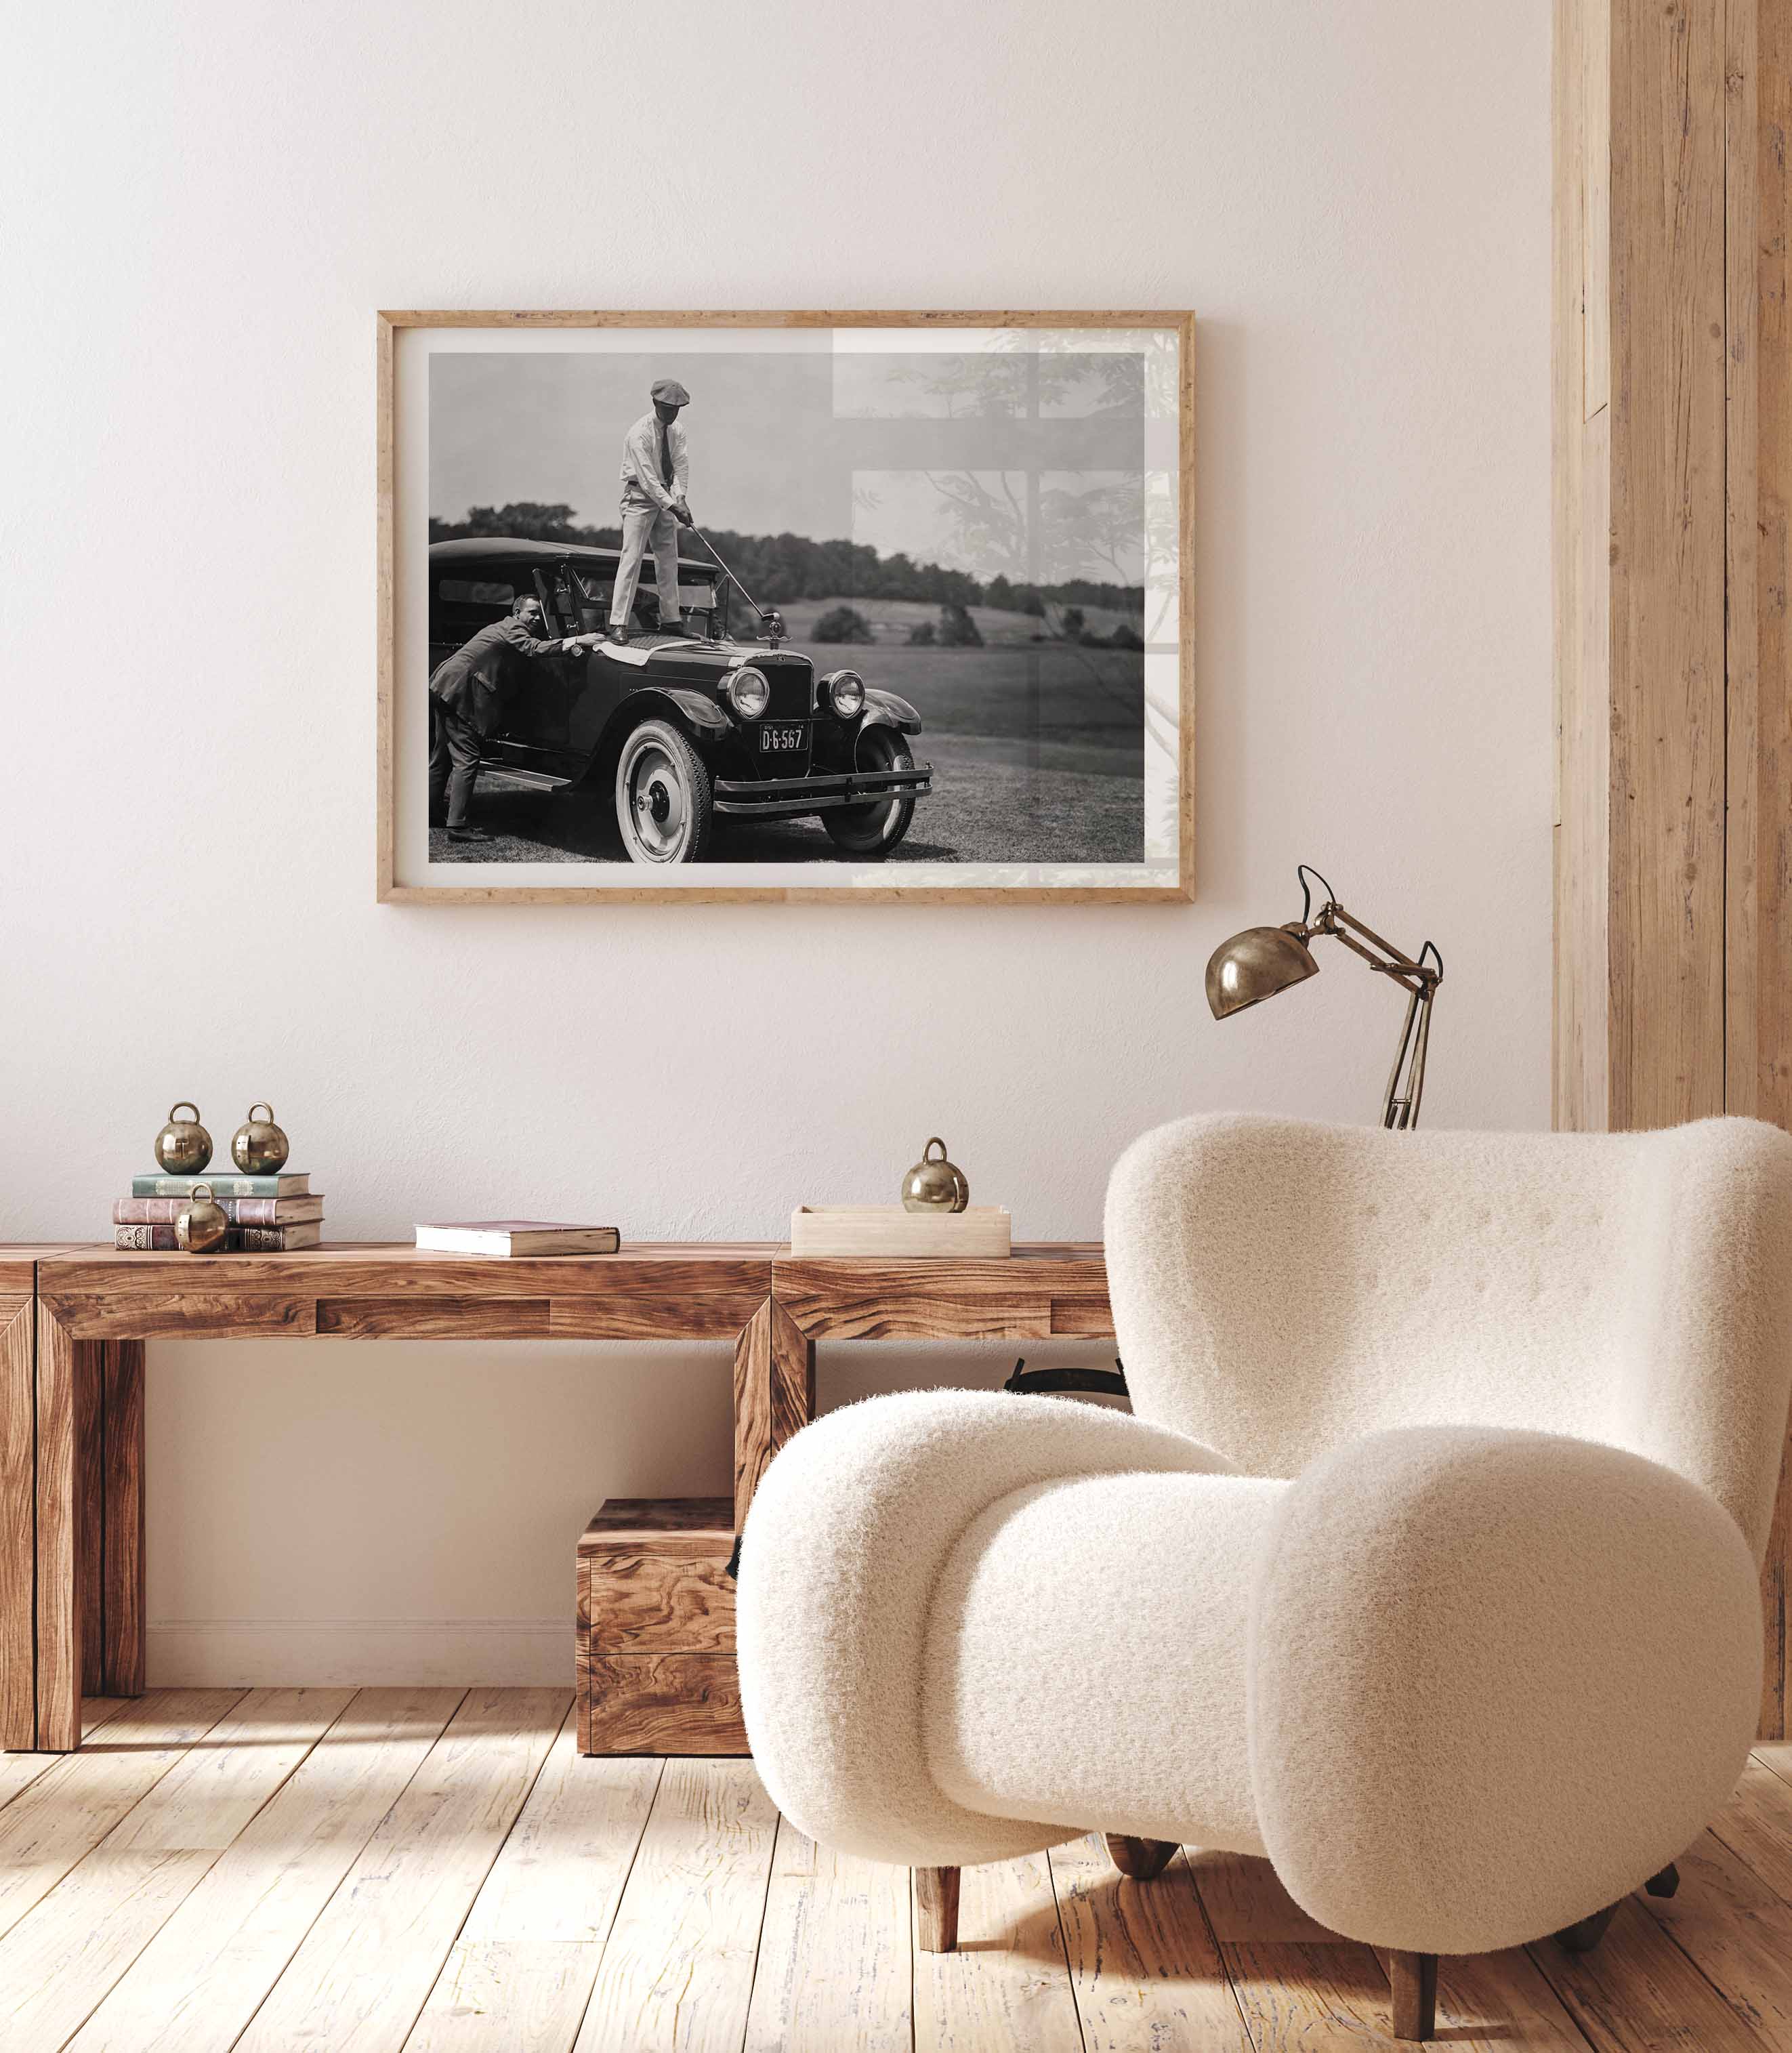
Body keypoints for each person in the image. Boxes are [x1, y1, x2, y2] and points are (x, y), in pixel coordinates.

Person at [428, 594, 601, 843]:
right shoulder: (514, 628)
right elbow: (534, 649)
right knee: (467, 759)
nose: (537, 617)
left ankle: (431, 812)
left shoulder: (504, 627)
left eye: (539, 613)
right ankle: (458, 826)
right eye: (532, 612)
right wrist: (577, 640)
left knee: (442, 758)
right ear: (517, 612)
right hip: (459, 691)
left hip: (445, 686)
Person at [608, 377, 693, 642]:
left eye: (677, 408)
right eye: (668, 407)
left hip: (666, 496)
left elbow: (680, 466)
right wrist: (673, 506)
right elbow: (647, 479)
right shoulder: (639, 433)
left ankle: (671, 620)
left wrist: (681, 497)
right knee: (632, 558)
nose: (672, 413)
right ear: (655, 403)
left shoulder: (678, 430)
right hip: (638, 497)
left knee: (668, 559)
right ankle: (618, 623)